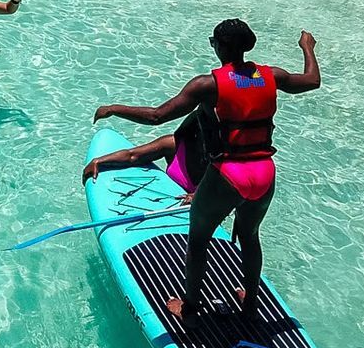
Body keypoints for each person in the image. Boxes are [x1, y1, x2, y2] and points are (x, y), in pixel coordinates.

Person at [88, 20, 320, 322]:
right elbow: (312, 80)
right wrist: (307, 47)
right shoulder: (271, 76)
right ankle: (250, 305)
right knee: (250, 237)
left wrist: (114, 108)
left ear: (220, 47)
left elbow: (158, 116)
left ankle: (190, 309)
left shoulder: (208, 85)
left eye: (214, 41)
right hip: (264, 172)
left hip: (228, 173)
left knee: (198, 241)